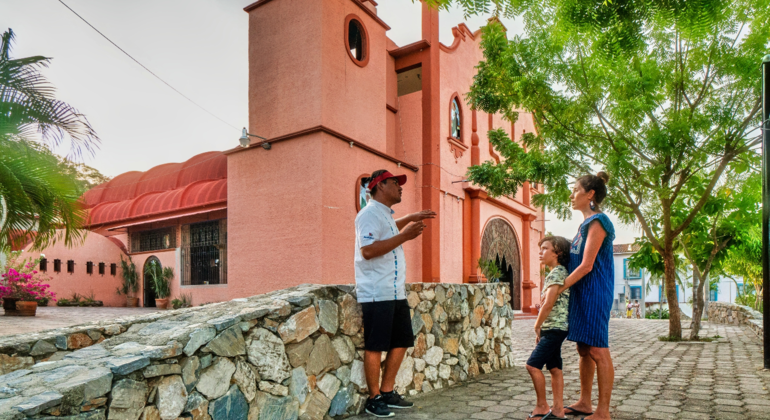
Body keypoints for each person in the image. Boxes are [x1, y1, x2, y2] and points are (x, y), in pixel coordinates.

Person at [354, 169, 436, 418]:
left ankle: (387, 392)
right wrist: (404, 237)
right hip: (377, 291)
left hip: (394, 291)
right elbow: (367, 250)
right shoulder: (367, 215)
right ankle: (374, 398)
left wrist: (408, 219)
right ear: (380, 186)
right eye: (395, 183)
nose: (400, 187)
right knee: (375, 345)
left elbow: (389, 229)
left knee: (401, 341)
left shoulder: (384, 215)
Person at [557, 172, 616, 420]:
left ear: (590, 194)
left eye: (575, 190)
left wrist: (558, 287)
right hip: (581, 292)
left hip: (595, 292)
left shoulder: (599, 221)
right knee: (583, 348)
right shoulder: (584, 225)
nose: (571, 195)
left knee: (598, 350)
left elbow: (587, 265)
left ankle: (603, 412)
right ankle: (585, 402)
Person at [525, 235, 573, 420]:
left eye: (545, 248)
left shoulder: (557, 272)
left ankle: (542, 406)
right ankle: (558, 411)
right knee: (554, 367)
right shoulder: (557, 272)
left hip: (554, 328)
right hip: (554, 327)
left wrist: (537, 326)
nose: (540, 252)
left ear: (557, 253)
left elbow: (549, 303)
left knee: (532, 365)